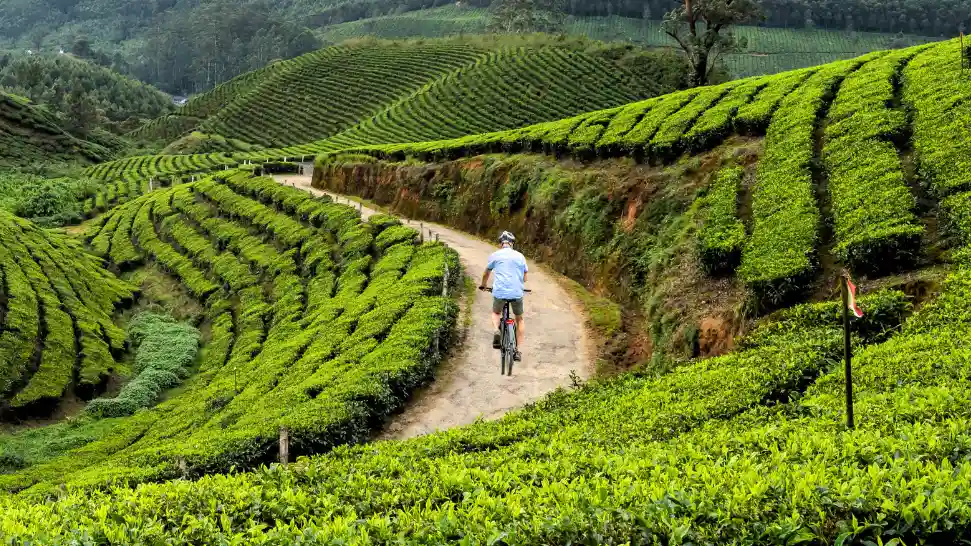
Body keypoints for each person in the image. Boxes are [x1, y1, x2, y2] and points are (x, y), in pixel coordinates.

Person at [480, 231, 528, 361]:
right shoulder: (520, 256)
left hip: (500, 291)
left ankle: (496, 330)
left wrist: (483, 285)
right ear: (512, 243)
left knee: (496, 313)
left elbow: (486, 273)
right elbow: (525, 277)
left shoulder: (495, 255)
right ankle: (517, 351)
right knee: (519, 319)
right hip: (516, 292)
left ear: (501, 243)